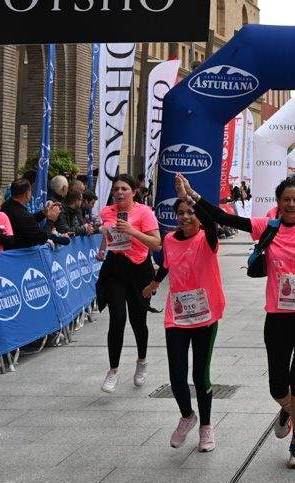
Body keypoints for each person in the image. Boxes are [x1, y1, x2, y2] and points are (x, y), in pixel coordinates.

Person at [190, 174, 295, 469]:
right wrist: (193, 196)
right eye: (286, 200)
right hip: (278, 317)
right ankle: (289, 410)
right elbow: (223, 218)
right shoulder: (267, 227)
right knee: (277, 386)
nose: (292, 205)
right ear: (278, 204)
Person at [148, 177, 225, 452]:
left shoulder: (208, 239)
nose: (184, 217)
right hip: (177, 316)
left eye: (190, 212)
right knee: (177, 377)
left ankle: (206, 426)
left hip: (205, 316)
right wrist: (156, 282)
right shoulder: (169, 239)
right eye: (180, 213)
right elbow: (168, 264)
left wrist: (191, 196)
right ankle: (187, 416)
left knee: (200, 375)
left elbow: (211, 221)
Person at [95, 173, 162, 393]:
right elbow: (107, 233)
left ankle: (142, 361)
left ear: (134, 192)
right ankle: (113, 370)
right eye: (116, 189)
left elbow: (156, 244)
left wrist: (132, 231)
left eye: (124, 188)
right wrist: (103, 248)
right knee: (117, 319)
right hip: (115, 267)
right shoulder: (107, 211)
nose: (119, 192)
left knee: (137, 321)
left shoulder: (145, 212)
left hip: (139, 268)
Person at [1, 179, 64, 249]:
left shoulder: (5, 205)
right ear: (27, 194)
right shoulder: (23, 215)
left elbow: (25, 222)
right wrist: (51, 220)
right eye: (30, 191)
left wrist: (43, 213)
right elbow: (41, 239)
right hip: (21, 254)